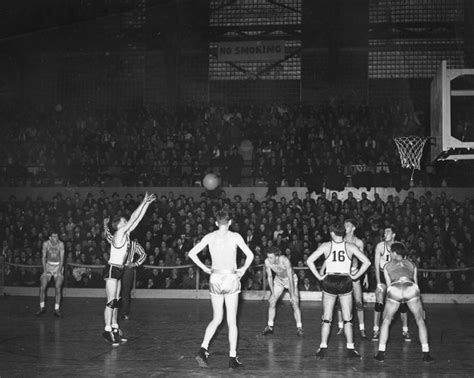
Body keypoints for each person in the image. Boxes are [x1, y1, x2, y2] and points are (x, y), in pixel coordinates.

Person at [189, 209, 254, 369]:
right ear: (230, 222)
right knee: (232, 321)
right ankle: (232, 358)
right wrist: (243, 269)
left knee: (217, 318)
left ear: (216, 223)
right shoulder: (235, 236)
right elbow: (250, 255)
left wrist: (204, 268)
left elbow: (192, 253)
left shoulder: (210, 236)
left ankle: (203, 349)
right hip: (231, 277)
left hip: (216, 277)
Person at [306, 222, 371, 359]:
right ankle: (350, 348)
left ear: (331, 233)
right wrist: (355, 276)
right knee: (348, 318)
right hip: (345, 280)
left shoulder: (326, 246)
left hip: (329, 279)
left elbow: (309, 261)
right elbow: (367, 262)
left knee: (327, 318)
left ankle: (323, 347)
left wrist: (319, 277)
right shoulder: (350, 246)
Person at [102, 192, 156, 346]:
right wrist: (143, 201)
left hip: (119, 270)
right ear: (119, 225)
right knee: (111, 302)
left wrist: (146, 204)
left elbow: (137, 219)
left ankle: (115, 328)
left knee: (117, 301)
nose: (127, 223)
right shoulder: (119, 233)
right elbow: (133, 217)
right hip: (112, 269)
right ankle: (107, 331)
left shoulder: (126, 235)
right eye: (124, 221)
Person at [374, 242, 434, 362]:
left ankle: (381, 353)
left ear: (395, 253)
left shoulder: (387, 266)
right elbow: (416, 284)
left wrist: (390, 304)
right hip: (411, 287)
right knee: (420, 320)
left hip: (395, 287)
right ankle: (426, 353)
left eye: (391, 252)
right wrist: (420, 306)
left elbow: (389, 285)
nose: (390, 254)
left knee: (386, 320)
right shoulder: (412, 264)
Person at [372, 226, 410, 342]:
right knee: (379, 298)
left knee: (402, 302)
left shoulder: (399, 246)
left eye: (388, 231)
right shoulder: (380, 246)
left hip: (396, 275)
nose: (385, 233)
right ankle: (376, 329)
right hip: (383, 275)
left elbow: (405, 263)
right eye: (384, 231)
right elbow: (376, 265)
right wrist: (379, 283)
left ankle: (405, 329)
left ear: (393, 235)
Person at [104, 223, 146, 320]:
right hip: (117, 267)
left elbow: (143, 254)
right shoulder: (117, 240)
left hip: (127, 268)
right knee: (115, 291)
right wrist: (105, 225)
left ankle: (124, 312)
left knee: (125, 291)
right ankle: (115, 312)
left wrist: (135, 264)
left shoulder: (134, 244)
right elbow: (108, 236)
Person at [335, 219, 368, 338]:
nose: (345, 227)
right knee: (340, 302)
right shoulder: (340, 240)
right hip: (342, 273)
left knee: (359, 302)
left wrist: (365, 275)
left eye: (348, 225)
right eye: (344, 225)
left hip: (354, 273)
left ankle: (362, 328)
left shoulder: (358, 242)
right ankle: (340, 326)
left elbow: (363, 260)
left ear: (353, 228)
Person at [262, 246, 304, 337]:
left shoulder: (285, 261)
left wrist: (292, 294)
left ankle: (299, 327)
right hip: (279, 280)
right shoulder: (267, 262)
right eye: (268, 257)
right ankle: (270, 326)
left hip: (290, 280)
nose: (268, 259)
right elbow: (269, 277)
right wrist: (272, 293)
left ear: (276, 257)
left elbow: (290, 278)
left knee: (295, 302)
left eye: (271, 257)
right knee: (272, 301)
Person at [36, 232, 65, 317]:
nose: (56, 238)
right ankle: (42, 307)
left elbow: (62, 258)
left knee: (58, 286)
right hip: (48, 265)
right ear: (50, 237)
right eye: (54, 236)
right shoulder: (45, 244)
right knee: (43, 286)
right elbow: (43, 257)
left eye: (57, 236)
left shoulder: (61, 244)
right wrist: (45, 270)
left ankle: (57, 309)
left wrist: (59, 271)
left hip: (58, 266)